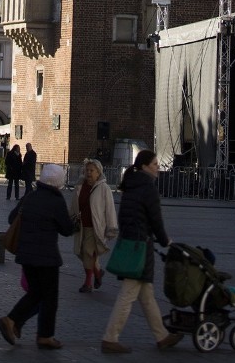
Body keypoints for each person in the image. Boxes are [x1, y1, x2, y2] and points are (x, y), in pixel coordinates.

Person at [100, 149, 182, 354]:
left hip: (131, 242)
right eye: (154, 164)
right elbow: (155, 219)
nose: (158, 168)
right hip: (140, 246)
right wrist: (165, 241)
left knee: (146, 294)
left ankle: (161, 336)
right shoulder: (148, 188)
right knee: (129, 293)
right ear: (145, 166)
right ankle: (110, 337)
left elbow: (126, 216)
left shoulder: (131, 185)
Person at [0, 163, 76, 350]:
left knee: (36, 293)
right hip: (46, 256)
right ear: (58, 182)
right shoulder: (56, 200)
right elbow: (66, 229)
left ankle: (13, 321)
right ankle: (42, 334)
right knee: (50, 297)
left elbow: (12, 218)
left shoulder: (30, 196)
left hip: (26, 255)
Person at [68, 158, 117, 292]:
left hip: (95, 227)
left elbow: (109, 209)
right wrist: (70, 217)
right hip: (81, 225)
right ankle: (97, 272)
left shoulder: (103, 188)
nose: (89, 173)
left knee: (88, 252)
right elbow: (74, 204)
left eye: (92, 170)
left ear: (98, 172)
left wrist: (111, 227)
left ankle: (88, 283)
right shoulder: (80, 186)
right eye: (87, 170)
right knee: (81, 253)